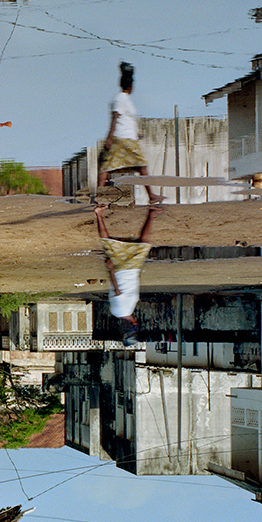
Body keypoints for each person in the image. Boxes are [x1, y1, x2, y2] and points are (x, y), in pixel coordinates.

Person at [95, 202, 162, 347]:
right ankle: (99, 214)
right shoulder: (117, 311)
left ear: (134, 323)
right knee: (108, 243)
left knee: (143, 243)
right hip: (126, 270)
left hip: (126, 270)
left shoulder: (124, 309)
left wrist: (111, 269)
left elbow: (117, 289)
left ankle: (151, 214)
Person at [96, 61, 162, 205]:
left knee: (108, 166)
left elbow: (126, 119)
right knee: (141, 166)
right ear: (130, 86)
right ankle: (151, 196)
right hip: (123, 139)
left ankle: (98, 197)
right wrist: (109, 137)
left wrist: (135, 134)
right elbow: (116, 117)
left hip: (126, 138)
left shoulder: (124, 99)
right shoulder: (120, 98)